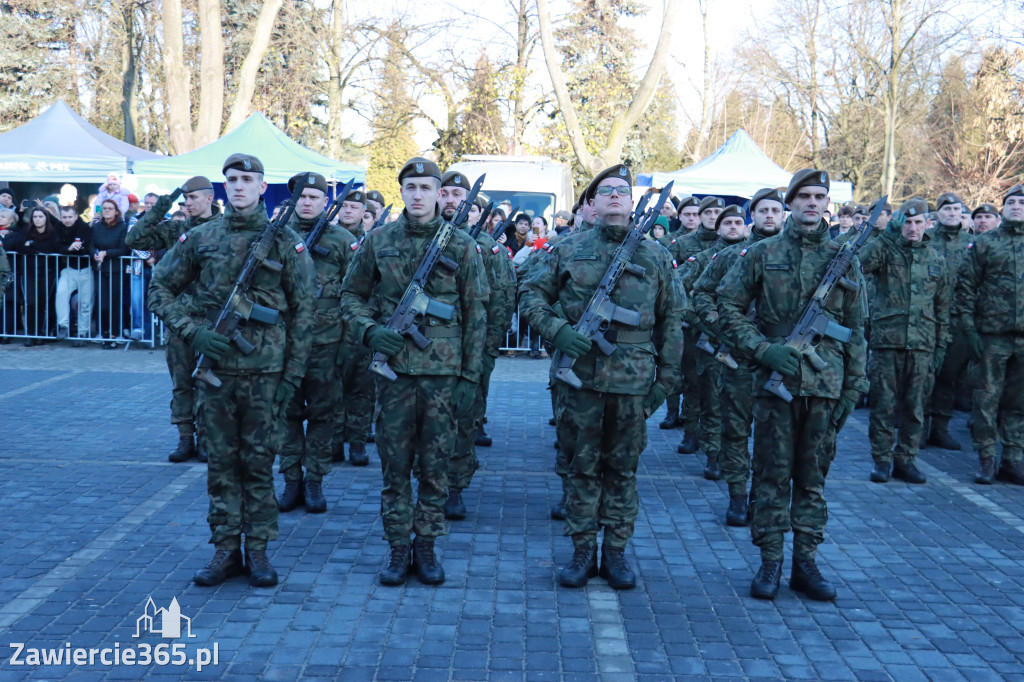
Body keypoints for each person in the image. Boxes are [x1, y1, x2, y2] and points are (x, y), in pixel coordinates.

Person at [148, 154, 316, 587]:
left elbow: (303, 314)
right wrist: (193, 331)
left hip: (266, 375)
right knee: (221, 465)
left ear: (263, 187)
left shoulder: (286, 242)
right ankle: (225, 550)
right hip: (216, 373)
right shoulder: (200, 237)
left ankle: (257, 551)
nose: (238, 186)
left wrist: (292, 377)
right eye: (231, 180)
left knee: (259, 465)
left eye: (247, 179)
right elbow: (159, 288)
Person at [520, 164, 681, 590]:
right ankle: (582, 551)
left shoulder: (656, 255)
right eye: (605, 192)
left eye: (621, 192)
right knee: (581, 469)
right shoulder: (567, 250)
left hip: (633, 384)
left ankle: (616, 553)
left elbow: (673, 320)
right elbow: (531, 295)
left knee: (622, 470)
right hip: (580, 384)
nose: (614, 197)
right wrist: (558, 332)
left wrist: (666, 381)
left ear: (631, 203)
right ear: (591, 203)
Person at [717, 169, 868, 602]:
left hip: (825, 383)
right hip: (773, 384)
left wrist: (853, 388)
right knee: (771, 475)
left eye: (820, 196)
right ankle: (770, 561)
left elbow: (856, 328)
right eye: (804, 196)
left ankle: (806, 563)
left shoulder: (845, 256)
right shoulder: (762, 253)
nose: (813, 203)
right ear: (790, 202)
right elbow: (725, 305)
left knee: (813, 477)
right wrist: (762, 349)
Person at [340, 157, 489, 587]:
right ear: (401, 191)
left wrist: (469, 378)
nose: (420, 195)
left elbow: (475, 313)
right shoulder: (377, 240)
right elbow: (350, 295)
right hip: (394, 377)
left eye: (428, 187)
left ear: (440, 194)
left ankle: (426, 547)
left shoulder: (460, 245)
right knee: (394, 467)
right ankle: (397, 549)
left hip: (444, 378)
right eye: (412, 188)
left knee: (436, 467)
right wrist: (370, 331)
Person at [692, 187, 785, 526]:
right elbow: (700, 294)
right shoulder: (734, 256)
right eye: (763, 210)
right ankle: (736, 496)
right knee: (736, 431)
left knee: (776, 436)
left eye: (776, 210)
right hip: (741, 360)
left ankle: (765, 496)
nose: (770, 215)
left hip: (783, 360)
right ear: (753, 218)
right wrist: (723, 330)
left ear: (783, 215)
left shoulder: (794, 255)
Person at [126, 176, 222, 463]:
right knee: (182, 382)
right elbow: (134, 239)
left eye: (192, 199)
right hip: (180, 318)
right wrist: (160, 208)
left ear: (209, 199)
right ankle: (185, 439)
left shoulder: (224, 230)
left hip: (211, 318)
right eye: (184, 200)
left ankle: (206, 439)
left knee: (208, 383)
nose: (188, 204)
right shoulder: (177, 229)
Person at [277, 173, 357, 514]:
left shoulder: (342, 240)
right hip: (284, 343)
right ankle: (291, 479)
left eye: (314, 197)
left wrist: (349, 345)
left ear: (326, 201)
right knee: (287, 415)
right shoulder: (277, 236)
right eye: (302, 196)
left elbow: (357, 293)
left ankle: (314, 481)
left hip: (327, 344)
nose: (307, 202)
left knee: (324, 416)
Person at [439, 172, 517, 521]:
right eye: (447, 193)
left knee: (464, 417)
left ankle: (455, 486)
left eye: (460, 195)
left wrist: (487, 350)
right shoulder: (425, 238)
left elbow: (500, 301)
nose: (453, 200)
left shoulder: (489, 248)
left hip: (472, 347)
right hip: (424, 349)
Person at [858, 198, 950, 485]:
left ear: (927, 224)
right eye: (907, 222)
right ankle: (882, 461)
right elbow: (859, 264)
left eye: (918, 222)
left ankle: (906, 460)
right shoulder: (887, 251)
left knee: (915, 407)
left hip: (922, 345)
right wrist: (886, 236)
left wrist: (940, 346)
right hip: (888, 342)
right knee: (883, 406)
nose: (912, 228)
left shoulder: (936, 259)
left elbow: (943, 307)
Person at [953, 184, 1024, 486]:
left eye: (1022, 202)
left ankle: (1013, 458)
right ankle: (986, 458)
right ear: (1003, 207)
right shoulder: (985, 243)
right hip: (991, 336)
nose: (1017, 206)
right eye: (1011, 202)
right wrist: (969, 330)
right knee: (986, 399)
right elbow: (965, 288)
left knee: (1019, 402)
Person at [678, 204, 751, 480]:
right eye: (727, 222)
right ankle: (713, 454)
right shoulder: (704, 259)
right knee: (712, 401)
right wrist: (709, 323)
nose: (733, 226)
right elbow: (680, 296)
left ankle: (736, 455)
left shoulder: (754, 255)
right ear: (717, 228)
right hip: (712, 344)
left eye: (737, 222)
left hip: (748, 344)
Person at [667, 195, 724, 455]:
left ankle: (716, 436)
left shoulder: (735, 246)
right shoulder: (683, 244)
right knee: (692, 382)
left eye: (717, 213)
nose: (713, 216)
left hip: (724, 328)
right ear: (699, 215)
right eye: (708, 212)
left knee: (720, 387)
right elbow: (674, 284)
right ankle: (691, 432)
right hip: (692, 328)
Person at [924, 192, 972, 450]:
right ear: (938, 213)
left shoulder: (972, 243)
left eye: (956, 209)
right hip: (928, 318)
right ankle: (917, 429)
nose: (952, 214)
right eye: (947, 209)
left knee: (949, 378)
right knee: (923, 376)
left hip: (959, 320)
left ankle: (940, 429)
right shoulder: (926, 238)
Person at [335, 189, 374, 466]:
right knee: (331, 387)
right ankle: (334, 440)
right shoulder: (325, 238)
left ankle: (357, 441)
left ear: (364, 213)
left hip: (361, 325)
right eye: (344, 206)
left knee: (361, 387)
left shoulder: (372, 242)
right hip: (330, 326)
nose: (348, 211)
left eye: (354, 207)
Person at [19, 207, 64, 343]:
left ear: (46, 218)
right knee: (31, 303)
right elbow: (20, 247)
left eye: (41, 216)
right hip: (29, 273)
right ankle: (31, 334)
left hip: (48, 273)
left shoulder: (53, 233)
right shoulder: (27, 231)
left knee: (44, 303)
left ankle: (41, 333)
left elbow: (52, 248)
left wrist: (32, 248)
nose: (38, 219)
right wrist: (29, 248)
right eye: (35, 217)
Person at [91, 199, 129, 348]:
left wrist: (106, 253)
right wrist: (94, 253)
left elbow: (123, 249)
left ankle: (114, 333)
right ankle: (103, 332)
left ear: (116, 211)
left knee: (115, 303)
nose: (107, 211)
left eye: (110, 208)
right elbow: (91, 245)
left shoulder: (122, 227)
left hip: (116, 270)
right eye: (105, 208)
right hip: (100, 269)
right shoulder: (96, 226)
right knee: (102, 303)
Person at [55, 206, 94, 344]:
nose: (67, 220)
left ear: (76, 216)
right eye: (64, 217)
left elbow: (87, 246)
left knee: (85, 302)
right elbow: (56, 246)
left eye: (70, 217)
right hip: (68, 269)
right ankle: (63, 326)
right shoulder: (58, 228)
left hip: (86, 269)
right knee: (61, 294)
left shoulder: (84, 228)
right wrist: (68, 248)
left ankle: (82, 333)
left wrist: (71, 249)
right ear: (60, 217)